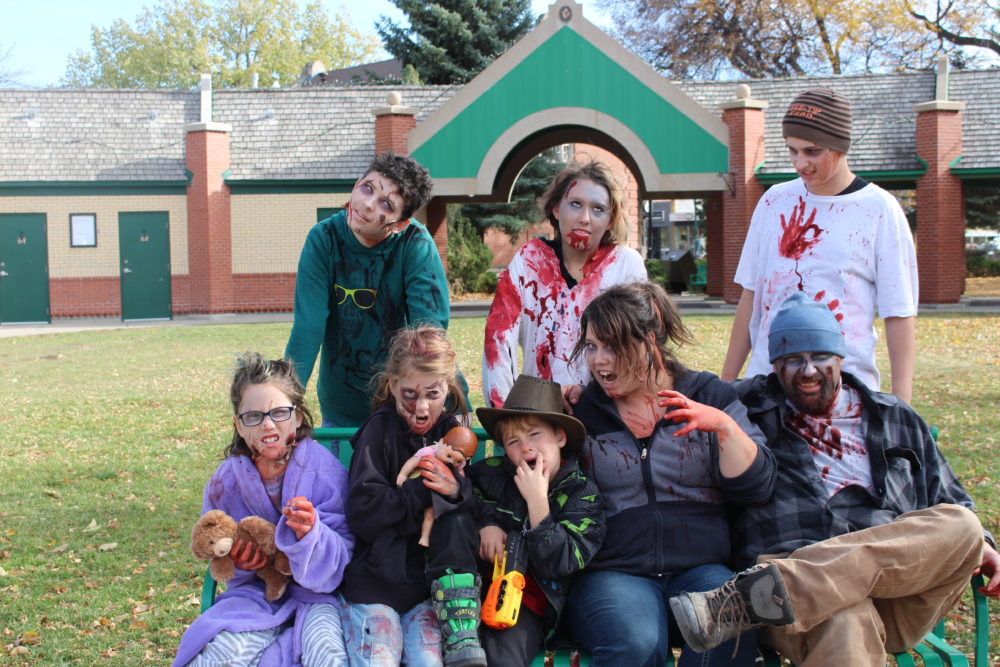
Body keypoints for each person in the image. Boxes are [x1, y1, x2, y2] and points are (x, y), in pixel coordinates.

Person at [671, 292, 1000, 666]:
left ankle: (746, 601)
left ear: (841, 358)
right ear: (774, 365)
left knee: (963, 524)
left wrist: (982, 544)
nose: (808, 370)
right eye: (792, 359)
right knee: (844, 620)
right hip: (794, 604)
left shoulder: (895, 416)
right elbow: (666, 383)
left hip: (893, 596)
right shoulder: (746, 406)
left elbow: (951, 500)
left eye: (820, 356)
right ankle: (775, 592)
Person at [564, 281, 775, 666]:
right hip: (614, 573)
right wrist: (552, 418)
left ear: (649, 342)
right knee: (637, 642)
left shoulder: (708, 395)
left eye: (612, 346)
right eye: (591, 346)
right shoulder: (583, 411)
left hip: (701, 569)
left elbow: (757, 486)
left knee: (727, 628)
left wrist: (724, 428)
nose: (599, 361)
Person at [721, 87, 918, 403]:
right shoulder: (774, 201)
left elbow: (899, 314)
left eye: (812, 151)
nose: (801, 163)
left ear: (840, 146)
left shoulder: (879, 209)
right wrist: (726, 386)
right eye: (792, 150)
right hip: (768, 391)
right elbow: (751, 296)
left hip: (845, 396)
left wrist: (901, 406)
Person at [174, 352, 354, 667]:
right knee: (219, 655)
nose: (268, 424)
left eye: (280, 412)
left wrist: (311, 534)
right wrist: (240, 561)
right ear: (238, 426)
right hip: (255, 594)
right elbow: (214, 541)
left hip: (321, 596)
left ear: (298, 417)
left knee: (327, 654)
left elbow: (348, 548)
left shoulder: (324, 471)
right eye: (253, 416)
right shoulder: (225, 481)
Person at [340, 326, 485, 667]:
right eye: (409, 394)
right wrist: (424, 489)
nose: (420, 407)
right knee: (379, 658)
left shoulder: (452, 435)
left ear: (448, 387)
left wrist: (456, 492)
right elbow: (365, 512)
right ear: (392, 385)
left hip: (429, 593)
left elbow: (470, 511)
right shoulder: (378, 432)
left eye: (433, 394)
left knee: (429, 662)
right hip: (376, 586)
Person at [285, 151, 455, 429]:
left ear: (400, 224)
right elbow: (307, 329)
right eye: (367, 188)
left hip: (403, 410)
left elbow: (429, 335)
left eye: (386, 204)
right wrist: (285, 403)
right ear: (356, 185)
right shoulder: (323, 238)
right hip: (340, 410)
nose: (367, 204)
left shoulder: (416, 244)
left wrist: (456, 408)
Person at [481, 159, 647, 409]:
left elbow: (640, 349)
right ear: (557, 208)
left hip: (607, 413)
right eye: (576, 204)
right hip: (540, 414)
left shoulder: (625, 265)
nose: (585, 218)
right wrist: (506, 416)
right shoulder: (530, 260)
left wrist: (594, 400)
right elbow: (498, 340)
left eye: (598, 209)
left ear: (611, 220)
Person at [469, 374, 606, 666]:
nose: (526, 448)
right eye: (513, 441)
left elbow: (561, 564)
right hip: (471, 594)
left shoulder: (581, 494)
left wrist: (538, 503)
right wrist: (486, 524)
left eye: (534, 435)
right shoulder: (492, 474)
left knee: (501, 656)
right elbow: (462, 494)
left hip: (525, 606)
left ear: (560, 437)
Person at [396, 426, 479, 547]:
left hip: (436, 493)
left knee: (430, 514)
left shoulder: (460, 464)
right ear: (441, 442)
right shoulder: (429, 452)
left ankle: (425, 537)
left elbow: (461, 476)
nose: (451, 462)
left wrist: (459, 484)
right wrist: (402, 474)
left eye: (457, 461)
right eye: (449, 456)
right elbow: (413, 462)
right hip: (418, 486)